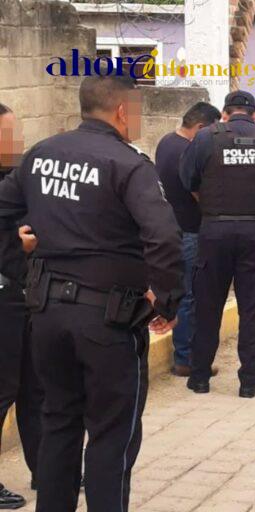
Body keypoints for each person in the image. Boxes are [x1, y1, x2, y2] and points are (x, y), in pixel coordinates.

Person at [0, 75, 184, 512]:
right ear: (121, 111)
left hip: (47, 317)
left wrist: (20, 269)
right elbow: (164, 237)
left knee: (58, 423)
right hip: (107, 322)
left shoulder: (42, 154)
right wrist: (166, 299)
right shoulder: (129, 164)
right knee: (111, 434)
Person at [180, 90, 255, 398]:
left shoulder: (206, 138)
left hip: (214, 231)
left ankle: (199, 377)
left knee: (208, 305)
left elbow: (187, 179)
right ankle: (249, 381)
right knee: (252, 307)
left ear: (224, 114)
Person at [155, 101, 221, 377]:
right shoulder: (187, 151)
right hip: (189, 232)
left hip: (171, 230)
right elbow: (199, 194)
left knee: (181, 292)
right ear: (201, 127)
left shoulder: (165, 143)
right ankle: (186, 359)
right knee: (189, 296)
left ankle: (186, 356)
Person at [0, 103, 43, 510]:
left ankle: (46, 468)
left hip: (26, 298)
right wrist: (18, 245)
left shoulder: (18, 179)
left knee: (36, 389)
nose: (15, 141)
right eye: (6, 134)